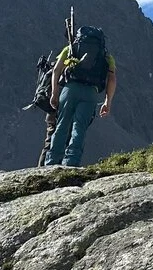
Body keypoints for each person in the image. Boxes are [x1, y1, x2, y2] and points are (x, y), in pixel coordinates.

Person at [44, 27, 116, 167]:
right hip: (91, 93)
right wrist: (108, 101)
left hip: (71, 88)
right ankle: (71, 161)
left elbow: (57, 70)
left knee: (62, 124)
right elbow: (112, 79)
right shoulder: (106, 56)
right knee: (79, 127)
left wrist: (54, 92)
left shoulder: (71, 49)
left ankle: (52, 160)